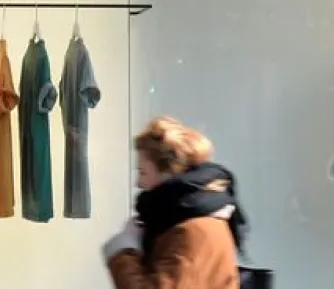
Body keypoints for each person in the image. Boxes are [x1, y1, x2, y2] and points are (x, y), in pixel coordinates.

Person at [101, 116, 244, 289]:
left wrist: (123, 252)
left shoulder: (191, 233)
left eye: (143, 172)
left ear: (168, 173)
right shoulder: (187, 222)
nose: (138, 183)